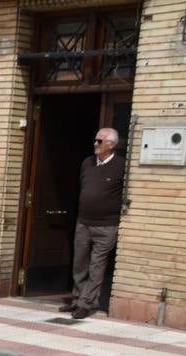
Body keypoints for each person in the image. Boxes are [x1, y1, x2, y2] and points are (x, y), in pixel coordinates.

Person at [62, 127, 125, 320]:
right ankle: (77, 298)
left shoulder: (121, 165)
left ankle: (86, 304)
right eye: (95, 140)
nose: (95, 144)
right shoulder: (87, 163)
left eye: (100, 141)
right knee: (79, 264)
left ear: (111, 144)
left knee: (96, 266)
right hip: (83, 222)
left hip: (107, 226)